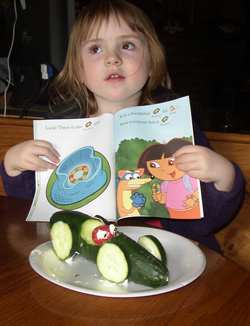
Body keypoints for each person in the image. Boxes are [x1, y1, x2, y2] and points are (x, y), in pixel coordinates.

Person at [0, 0, 244, 252]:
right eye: (95, 49)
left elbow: (203, 225)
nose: (112, 58)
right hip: (86, 257)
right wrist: (15, 168)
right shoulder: (63, 132)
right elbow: (39, 212)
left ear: (151, 62)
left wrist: (224, 178)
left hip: (167, 255)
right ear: (79, 70)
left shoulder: (177, 130)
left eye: (127, 46)